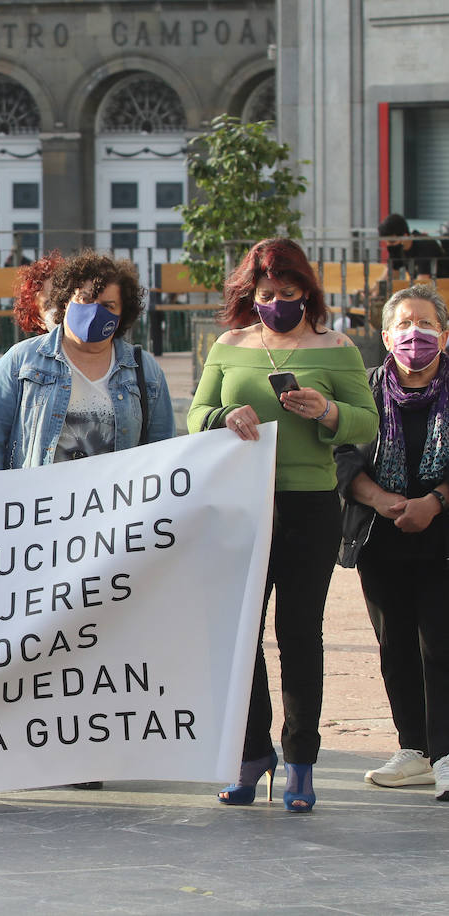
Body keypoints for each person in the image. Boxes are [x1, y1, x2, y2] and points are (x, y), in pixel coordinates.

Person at [188, 237, 378, 812]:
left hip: (308, 506)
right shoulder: (228, 346)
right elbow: (196, 415)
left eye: (288, 293)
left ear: (307, 293)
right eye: (266, 293)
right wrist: (226, 415)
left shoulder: (337, 347)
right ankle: (251, 752)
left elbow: (366, 424)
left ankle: (300, 760)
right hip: (241, 506)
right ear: (251, 294)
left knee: (298, 634)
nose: (277, 302)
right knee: (241, 634)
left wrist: (327, 411)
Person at [335, 284, 449, 802]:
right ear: (384, 336)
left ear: (444, 336)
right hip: (381, 538)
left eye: (425, 324)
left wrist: (435, 502)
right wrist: (379, 498)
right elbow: (341, 457)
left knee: (440, 645)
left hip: (442, 536)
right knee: (394, 645)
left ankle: (446, 754)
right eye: (403, 325)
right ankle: (414, 750)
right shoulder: (364, 389)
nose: (414, 335)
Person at [0, 251, 174, 471]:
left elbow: (163, 449)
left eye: (108, 306)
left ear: (123, 314)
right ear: (66, 300)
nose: (94, 312)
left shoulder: (144, 370)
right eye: (85, 300)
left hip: (115, 502)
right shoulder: (21, 362)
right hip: (39, 500)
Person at [379, 213, 448, 283]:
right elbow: (389, 275)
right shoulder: (397, 248)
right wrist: (373, 291)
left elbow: (422, 281)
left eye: (392, 241)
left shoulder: (424, 244)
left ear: (405, 236)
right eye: (386, 242)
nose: (389, 245)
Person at [11, 250, 65, 336]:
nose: (61, 308)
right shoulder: (26, 349)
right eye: (49, 305)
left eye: (63, 297)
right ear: (39, 321)